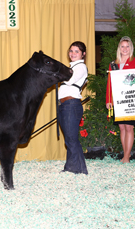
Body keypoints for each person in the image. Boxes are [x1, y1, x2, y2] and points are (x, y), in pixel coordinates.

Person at [106, 36, 135, 163]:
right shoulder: (113, 64)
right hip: (117, 99)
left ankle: (126, 156)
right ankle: (125, 154)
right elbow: (109, 83)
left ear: (131, 48)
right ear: (119, 48)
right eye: (122, 46)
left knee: (129, 127)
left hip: (131, 99)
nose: (125, 49)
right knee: (122, 127)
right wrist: (108, 100)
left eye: (127, 46)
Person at [58, 41, 88, 174]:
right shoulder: (72, 67)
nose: (73, 54)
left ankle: (76, 169)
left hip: (71, 105)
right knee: (70, 139)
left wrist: (56, 73)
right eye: (71, 51)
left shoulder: (80, 67)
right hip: (66, 105)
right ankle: (76, 168)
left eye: (76, 51)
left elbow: (69, 80)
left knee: (71, 139)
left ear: (83, 54)